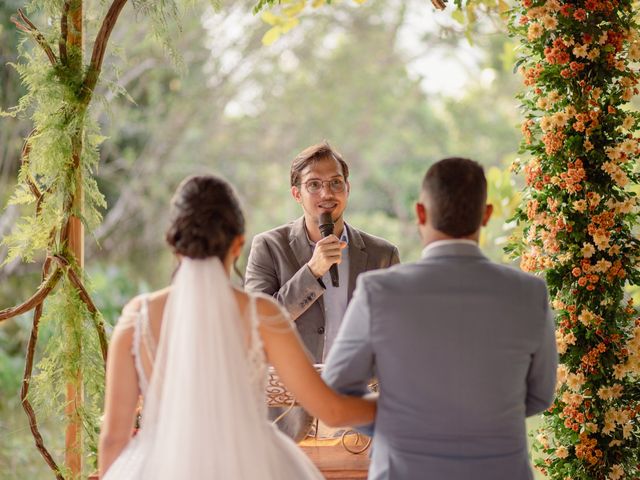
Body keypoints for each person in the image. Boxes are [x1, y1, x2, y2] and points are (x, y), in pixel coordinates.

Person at [98, 175, 376, 480]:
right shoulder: (262, 315)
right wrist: (398, 405)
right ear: (238, 243)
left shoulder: (137, 318)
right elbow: (331, 410)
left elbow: (113, 438)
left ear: (173, 241)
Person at [323, 157, 558, 480]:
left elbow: (336, 393)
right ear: (486, 214)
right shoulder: (530, 293)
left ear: (420, 212)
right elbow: (540, 395)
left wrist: (403, 415)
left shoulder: (379, 291)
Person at [245, 141, 399, 440]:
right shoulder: (268, 247)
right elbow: (256, 324)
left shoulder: (383, 254)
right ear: (296, 194)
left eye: (335, 183)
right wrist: (312, 271)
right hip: (286, 419)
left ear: (347, 189)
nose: (326, 194)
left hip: (359, 419)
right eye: (314, 184)